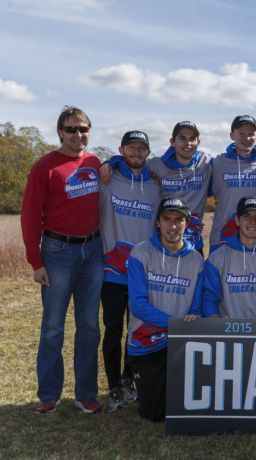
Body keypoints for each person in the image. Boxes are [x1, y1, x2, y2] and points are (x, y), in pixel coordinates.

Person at [21, 106, 104, 414]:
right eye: (71, 129)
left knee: (89, 327)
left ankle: (85, 394)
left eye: (83, 129)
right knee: (53, 327)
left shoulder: (96, 163)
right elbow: (30, 217)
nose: (78, 135)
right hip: (58, 254)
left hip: (93, 252)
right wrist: (35, 261)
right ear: (60, 132)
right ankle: (49, 395)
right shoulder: (45, 167)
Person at [126, 198, 204, 422]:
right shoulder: (140, 253)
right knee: (154, 414)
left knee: (185, 409)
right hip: (147, 344)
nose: (172, 226)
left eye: (179, 220)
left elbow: (197, 306)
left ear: (186, 224)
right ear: (158, 222)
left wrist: (192, 319)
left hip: (180, 343)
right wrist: (175, 323)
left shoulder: (196, 260)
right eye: (167, 219)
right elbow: (138, 305)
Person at [98, 130, 160, 412]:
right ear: (121, 150)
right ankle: (113, 388)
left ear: (148, 153)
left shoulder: (155, 184)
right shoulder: (107, 177)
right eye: (131, 148)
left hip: (141, 272)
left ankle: (128, 380)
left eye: (142, 149)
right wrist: (107, 162)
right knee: (113, 329)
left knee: (135, 328)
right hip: (111, 270)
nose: (137, 153)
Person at [102, 121, 212, 253]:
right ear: (172, 141)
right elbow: (133, 163)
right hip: (164, 240)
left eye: (192, 139)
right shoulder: (156, 165)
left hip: (193, 241)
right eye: (182, 138)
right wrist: (110, 162)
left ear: (198, 142)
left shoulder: (206, 164)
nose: (187, 143)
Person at [209, 115, 256, 251]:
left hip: (254, 238)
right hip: (221, 238)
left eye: (250, 134)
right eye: (241, 133)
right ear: (231, 135)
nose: (246, 138)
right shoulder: (217, 163)